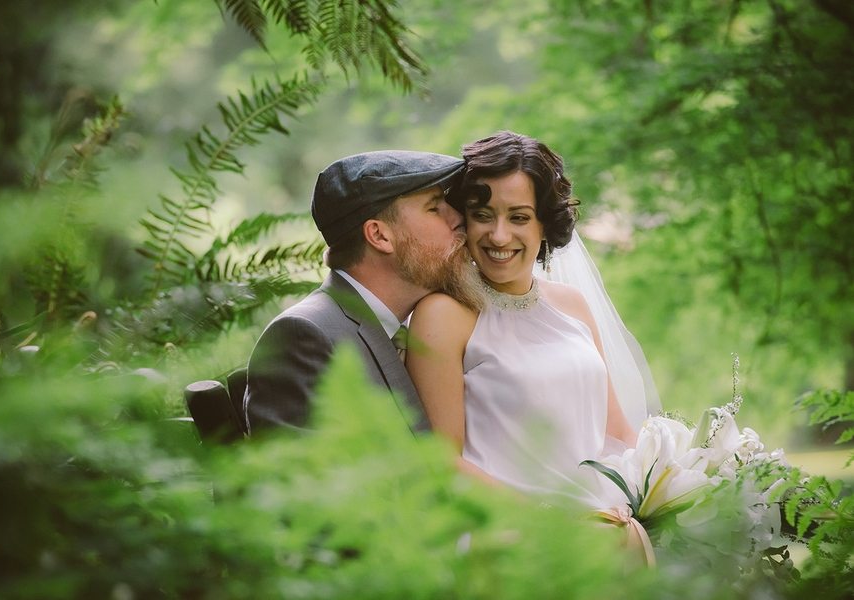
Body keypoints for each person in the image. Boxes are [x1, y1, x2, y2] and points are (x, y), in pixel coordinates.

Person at [406, 131, 659, 507]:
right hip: (512, 539)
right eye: (482, 216)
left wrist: (661, 493)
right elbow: (443, 461)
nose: (499, 235)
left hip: (607, 530)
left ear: (544, 224)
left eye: (519, 217)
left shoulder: (572, 305)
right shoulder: (443, 315)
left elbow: (617, 431)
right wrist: (558, 528)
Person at [244, 149, 483, 436]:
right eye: (434, 208)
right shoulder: (304, 338)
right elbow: (303, 478)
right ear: (380, 236)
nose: (458, 218)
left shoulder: (413, 330)